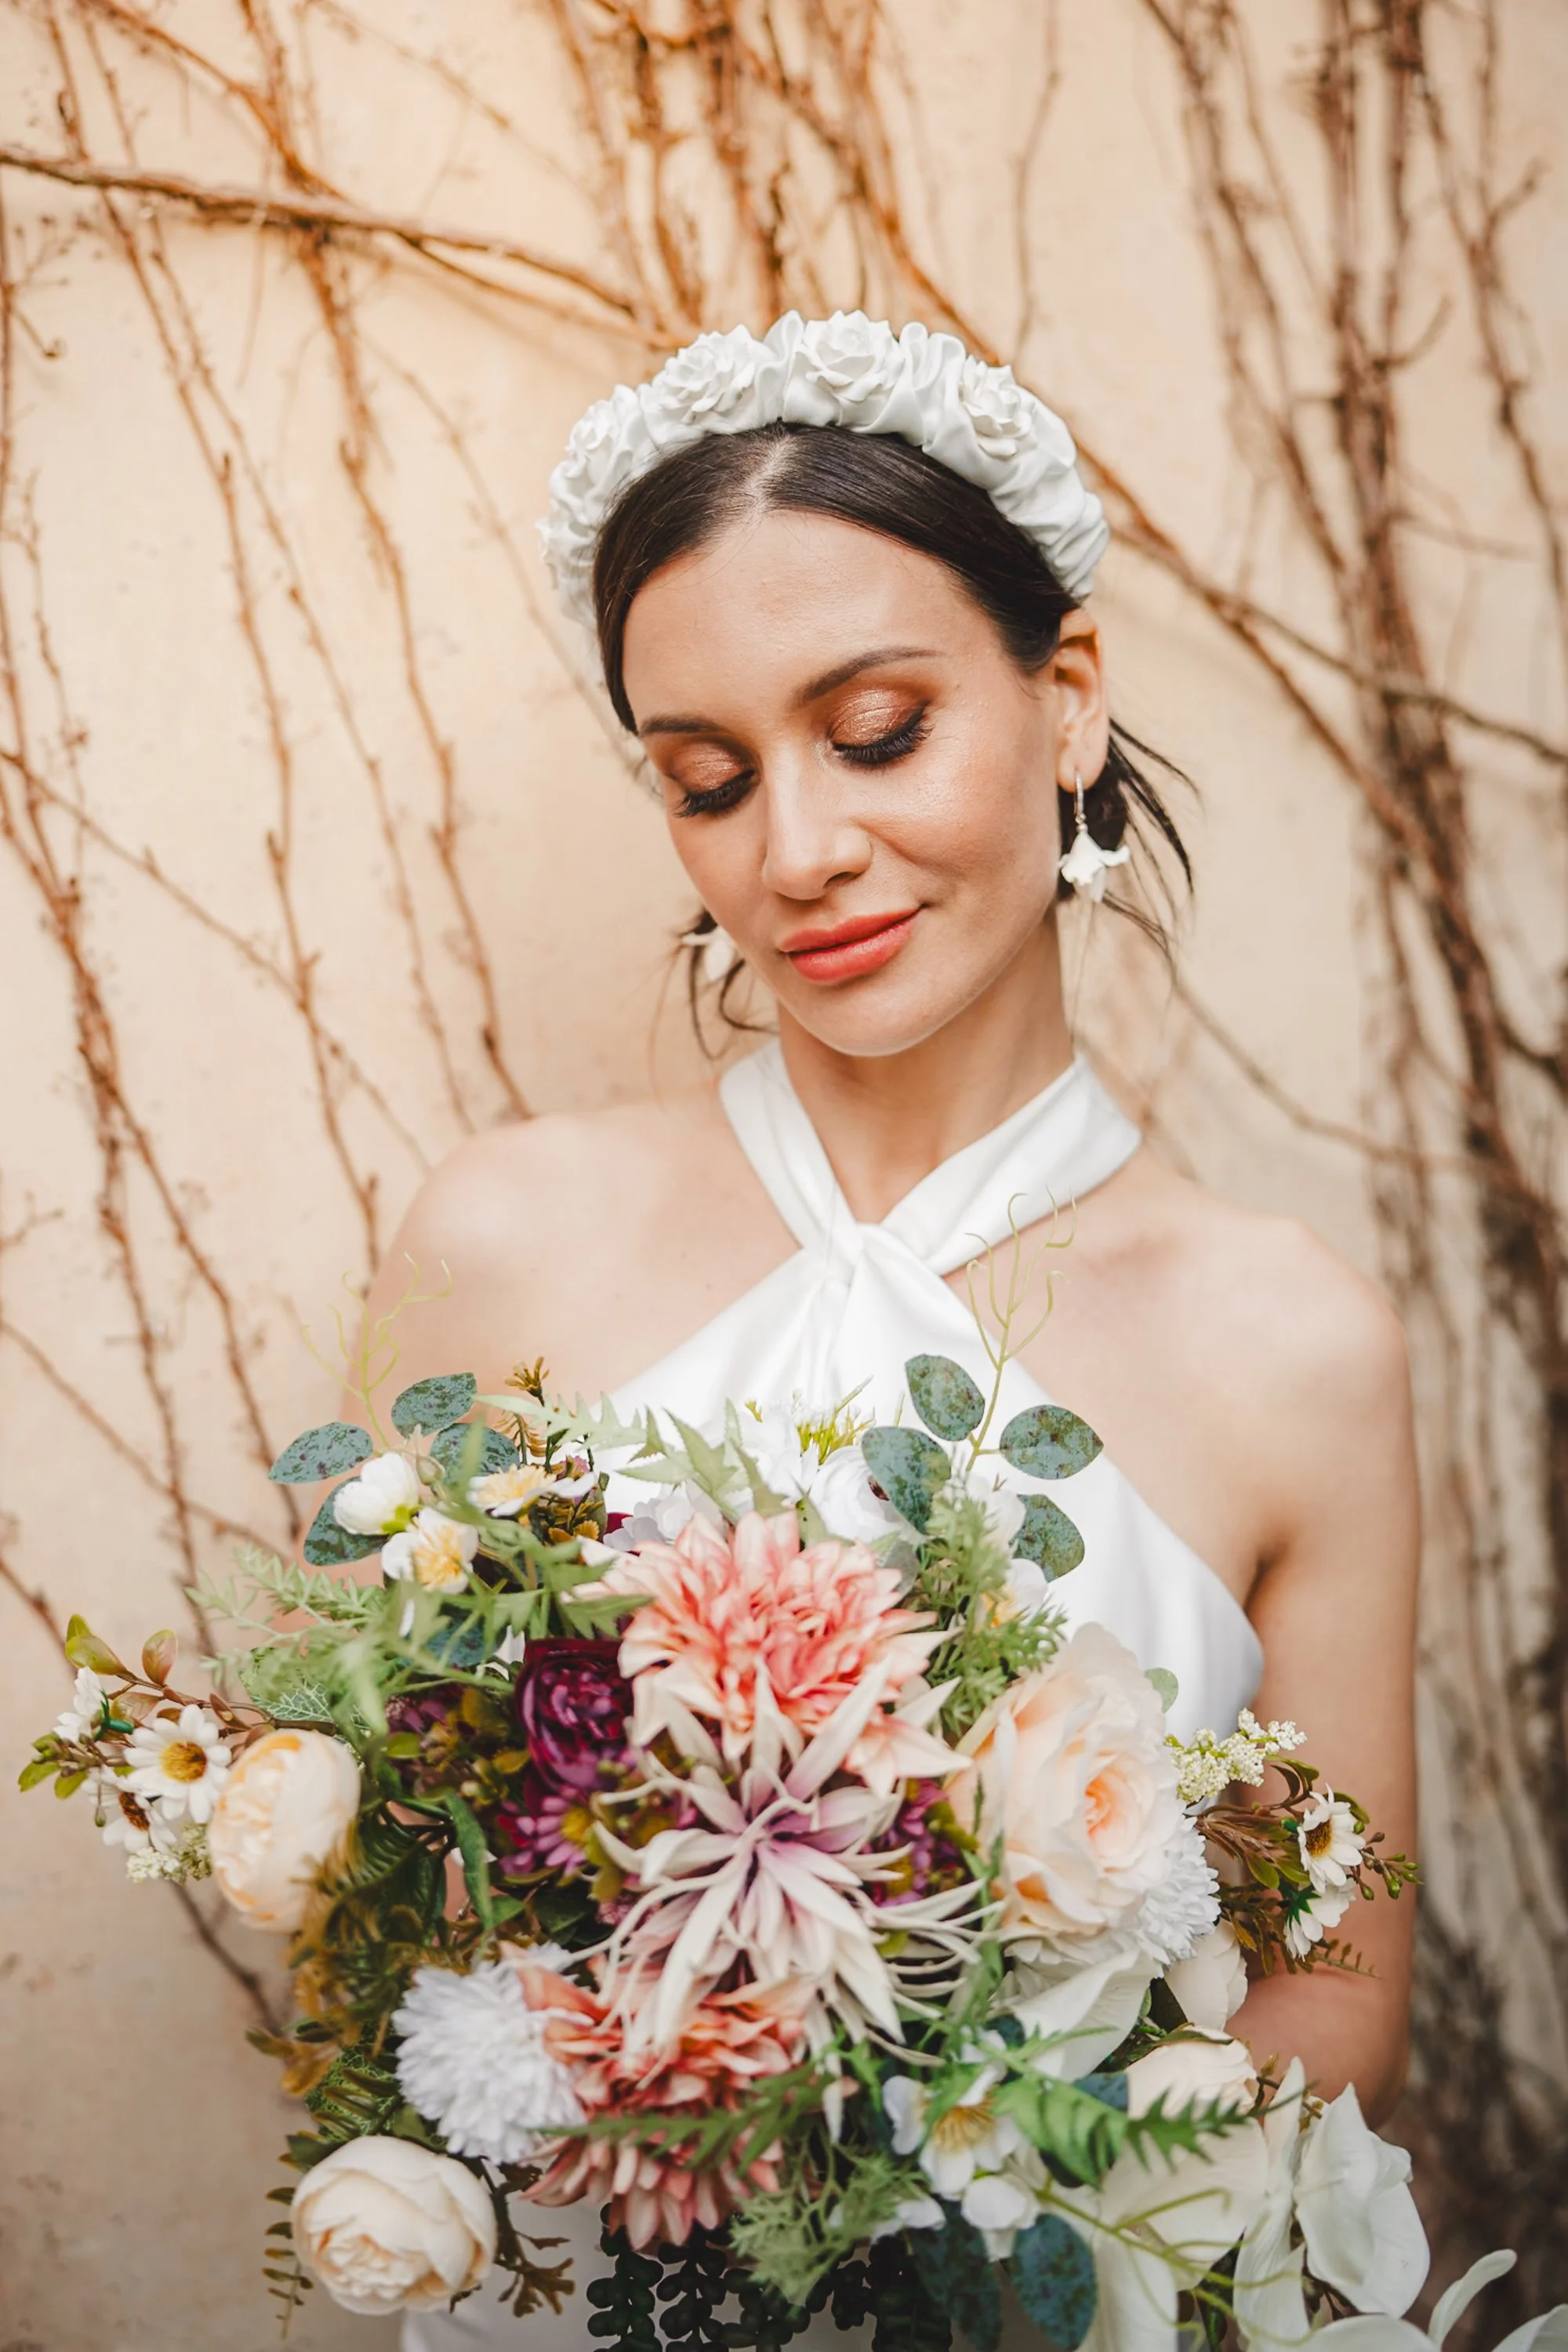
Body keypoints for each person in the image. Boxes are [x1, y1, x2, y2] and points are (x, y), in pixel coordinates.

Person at [374, 316, 1417, 2350]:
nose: (796, 853)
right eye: (707, 779)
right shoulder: (497, 1245)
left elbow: (1340, 1983)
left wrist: (1021, 2219)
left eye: (875, 731)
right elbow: (407, 1887)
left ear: (1071, 698)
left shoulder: (1298, 1346)